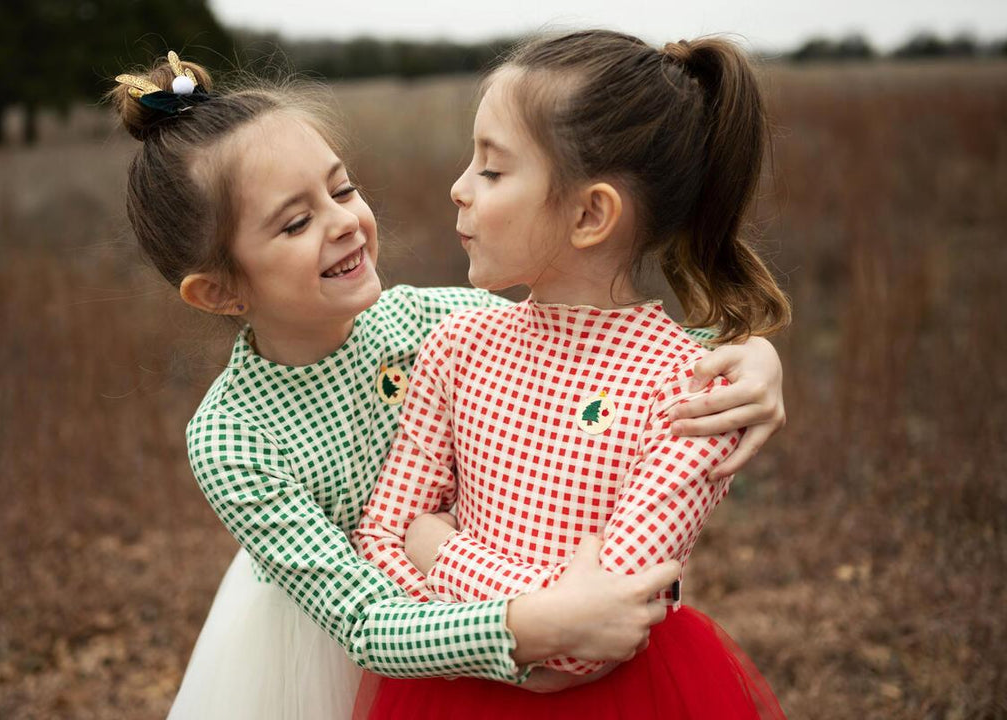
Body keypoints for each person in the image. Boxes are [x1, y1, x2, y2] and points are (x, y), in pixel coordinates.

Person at [108, 50, 787, 720]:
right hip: (336, 641)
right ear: (220, 291)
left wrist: (752, 356)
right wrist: (533, 622)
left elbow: (593, 344)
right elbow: (366, 620)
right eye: (296, 221)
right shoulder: (233, 438)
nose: (344, 221)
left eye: (342, 189)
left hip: (464, 600)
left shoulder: (428, 321)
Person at [353, 30, 790, 719]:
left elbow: (595, 639)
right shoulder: (457, 345)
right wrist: (547, 608)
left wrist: (442, 553)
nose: (459, 188)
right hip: (447, 692)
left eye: (492, 171)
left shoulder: (695, 393)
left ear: (590, 213)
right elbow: (382, 538)